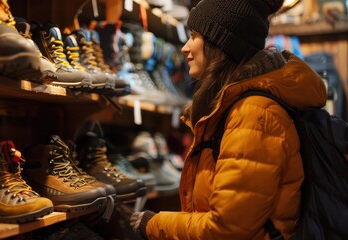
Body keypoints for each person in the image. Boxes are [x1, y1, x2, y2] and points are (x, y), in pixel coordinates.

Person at [129, 0, 327, 239]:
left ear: (221, 46)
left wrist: (152, 224)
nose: (185, 47)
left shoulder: (253, 114)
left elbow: (228, 229)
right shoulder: (239, 106)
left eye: (194, 36)